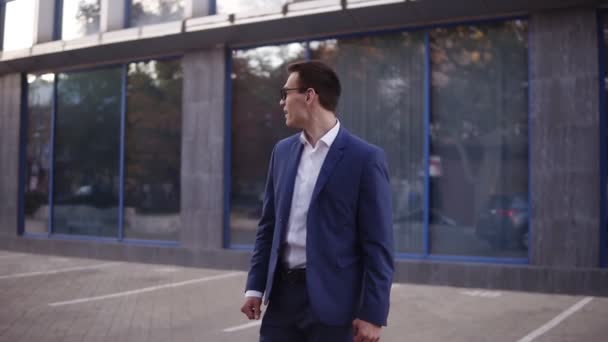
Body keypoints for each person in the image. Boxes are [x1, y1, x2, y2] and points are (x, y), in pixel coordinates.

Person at [240, 60, 394, 342]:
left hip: (335, 305)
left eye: (286, 93)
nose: (282, 102)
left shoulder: (365, 159)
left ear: (309, 96)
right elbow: (269, 226)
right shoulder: (282, 152)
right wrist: (255, 288)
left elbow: (379, 245)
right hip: (282, 301)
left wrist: (373, 313)